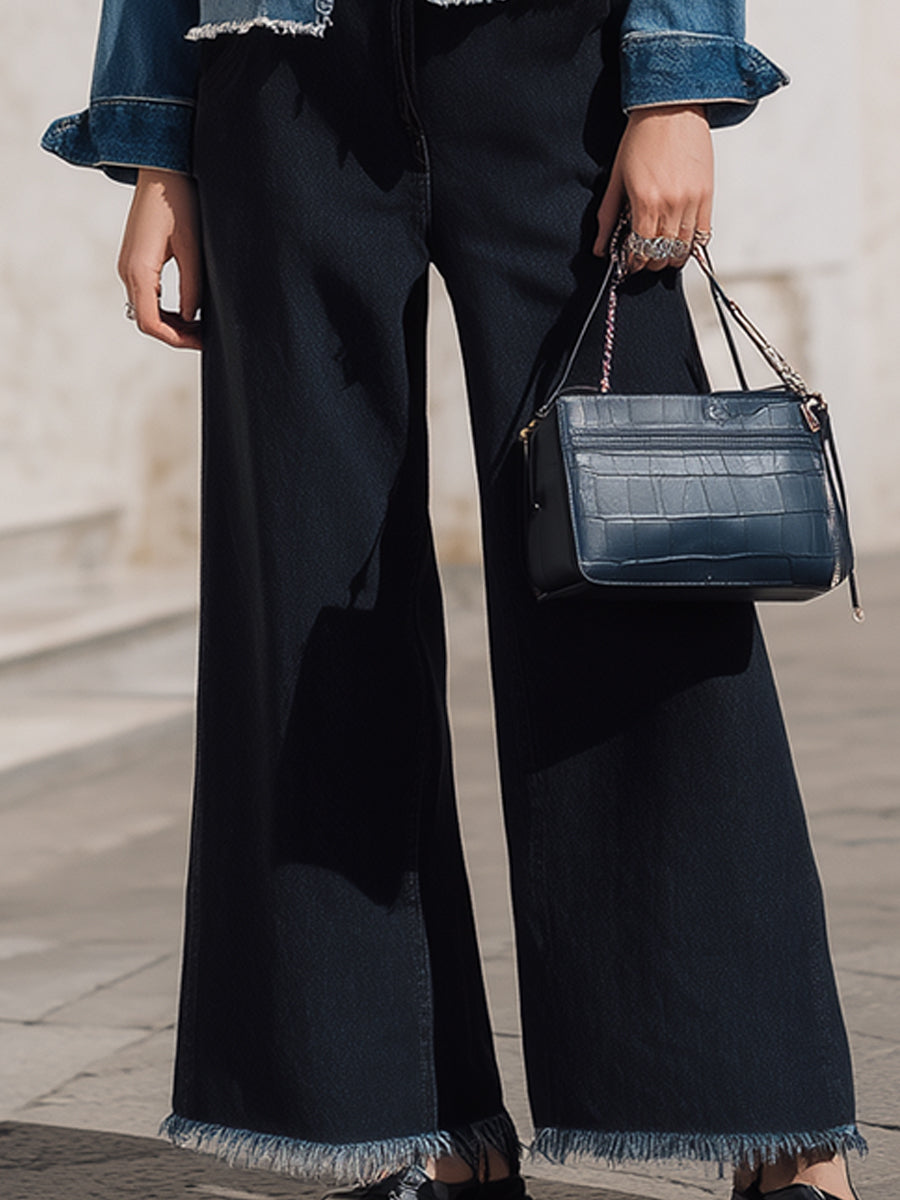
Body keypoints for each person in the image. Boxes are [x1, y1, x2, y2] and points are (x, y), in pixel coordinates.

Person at [42, 2, 866, 1198]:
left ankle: (774, 1128)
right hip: (280, 67)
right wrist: (158, 134)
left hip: (547, 55)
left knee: (642, 567)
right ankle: (417, 1132)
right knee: (308, 581)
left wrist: (676, 83)